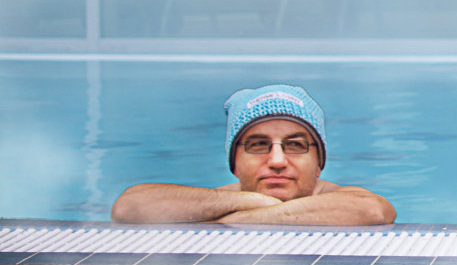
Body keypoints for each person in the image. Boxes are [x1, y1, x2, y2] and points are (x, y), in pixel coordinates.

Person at [109, 85, 395, 225]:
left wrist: (243, 219)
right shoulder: (221, 201)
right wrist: (249, 200)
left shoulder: (342, 198)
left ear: (318, 163)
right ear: (234, 163)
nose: (277, 161)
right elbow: (128, 208)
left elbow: (374, 210)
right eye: (258, 145)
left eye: (295, 145)